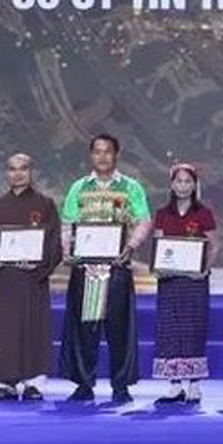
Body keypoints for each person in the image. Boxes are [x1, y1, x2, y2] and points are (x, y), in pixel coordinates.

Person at [57, 133, 152, 404]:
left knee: (118, 330)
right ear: (91, 155)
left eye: (107, 151)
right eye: (97, 151)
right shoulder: (79, 188)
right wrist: (67, 251)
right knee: (85, 330)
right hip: (85, 270)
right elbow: (68, 223)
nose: (102, 156)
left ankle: (120, 386)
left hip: (117, 268)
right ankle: (83, 384)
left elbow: (144, 221)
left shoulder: (130, 187)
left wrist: (131, 246)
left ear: (116, 154)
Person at [0, 152, 61, 401]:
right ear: (6, 173)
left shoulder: (45, 204)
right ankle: (5, 383)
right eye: (13, 169)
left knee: (33, 328)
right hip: (5, 279)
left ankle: (33, 383)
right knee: (5, 330)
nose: (18, 173)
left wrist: (39, 270)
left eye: (23, 168)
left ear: (31, 172)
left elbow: (53, 243)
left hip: (32, 279)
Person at [150, 163, 218, 405]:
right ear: (171, 184)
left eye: (187, 181)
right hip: (169, 281)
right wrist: (159, 267)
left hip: (195, 282)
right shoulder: (162, 213)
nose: (183, 186)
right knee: (170, 330)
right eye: (178, 181)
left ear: (195, 185)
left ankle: (195, 383)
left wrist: (204, 269)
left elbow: (213, 245)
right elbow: (159, 246)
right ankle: (175, 385)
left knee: (194, 329)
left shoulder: (204, 213)